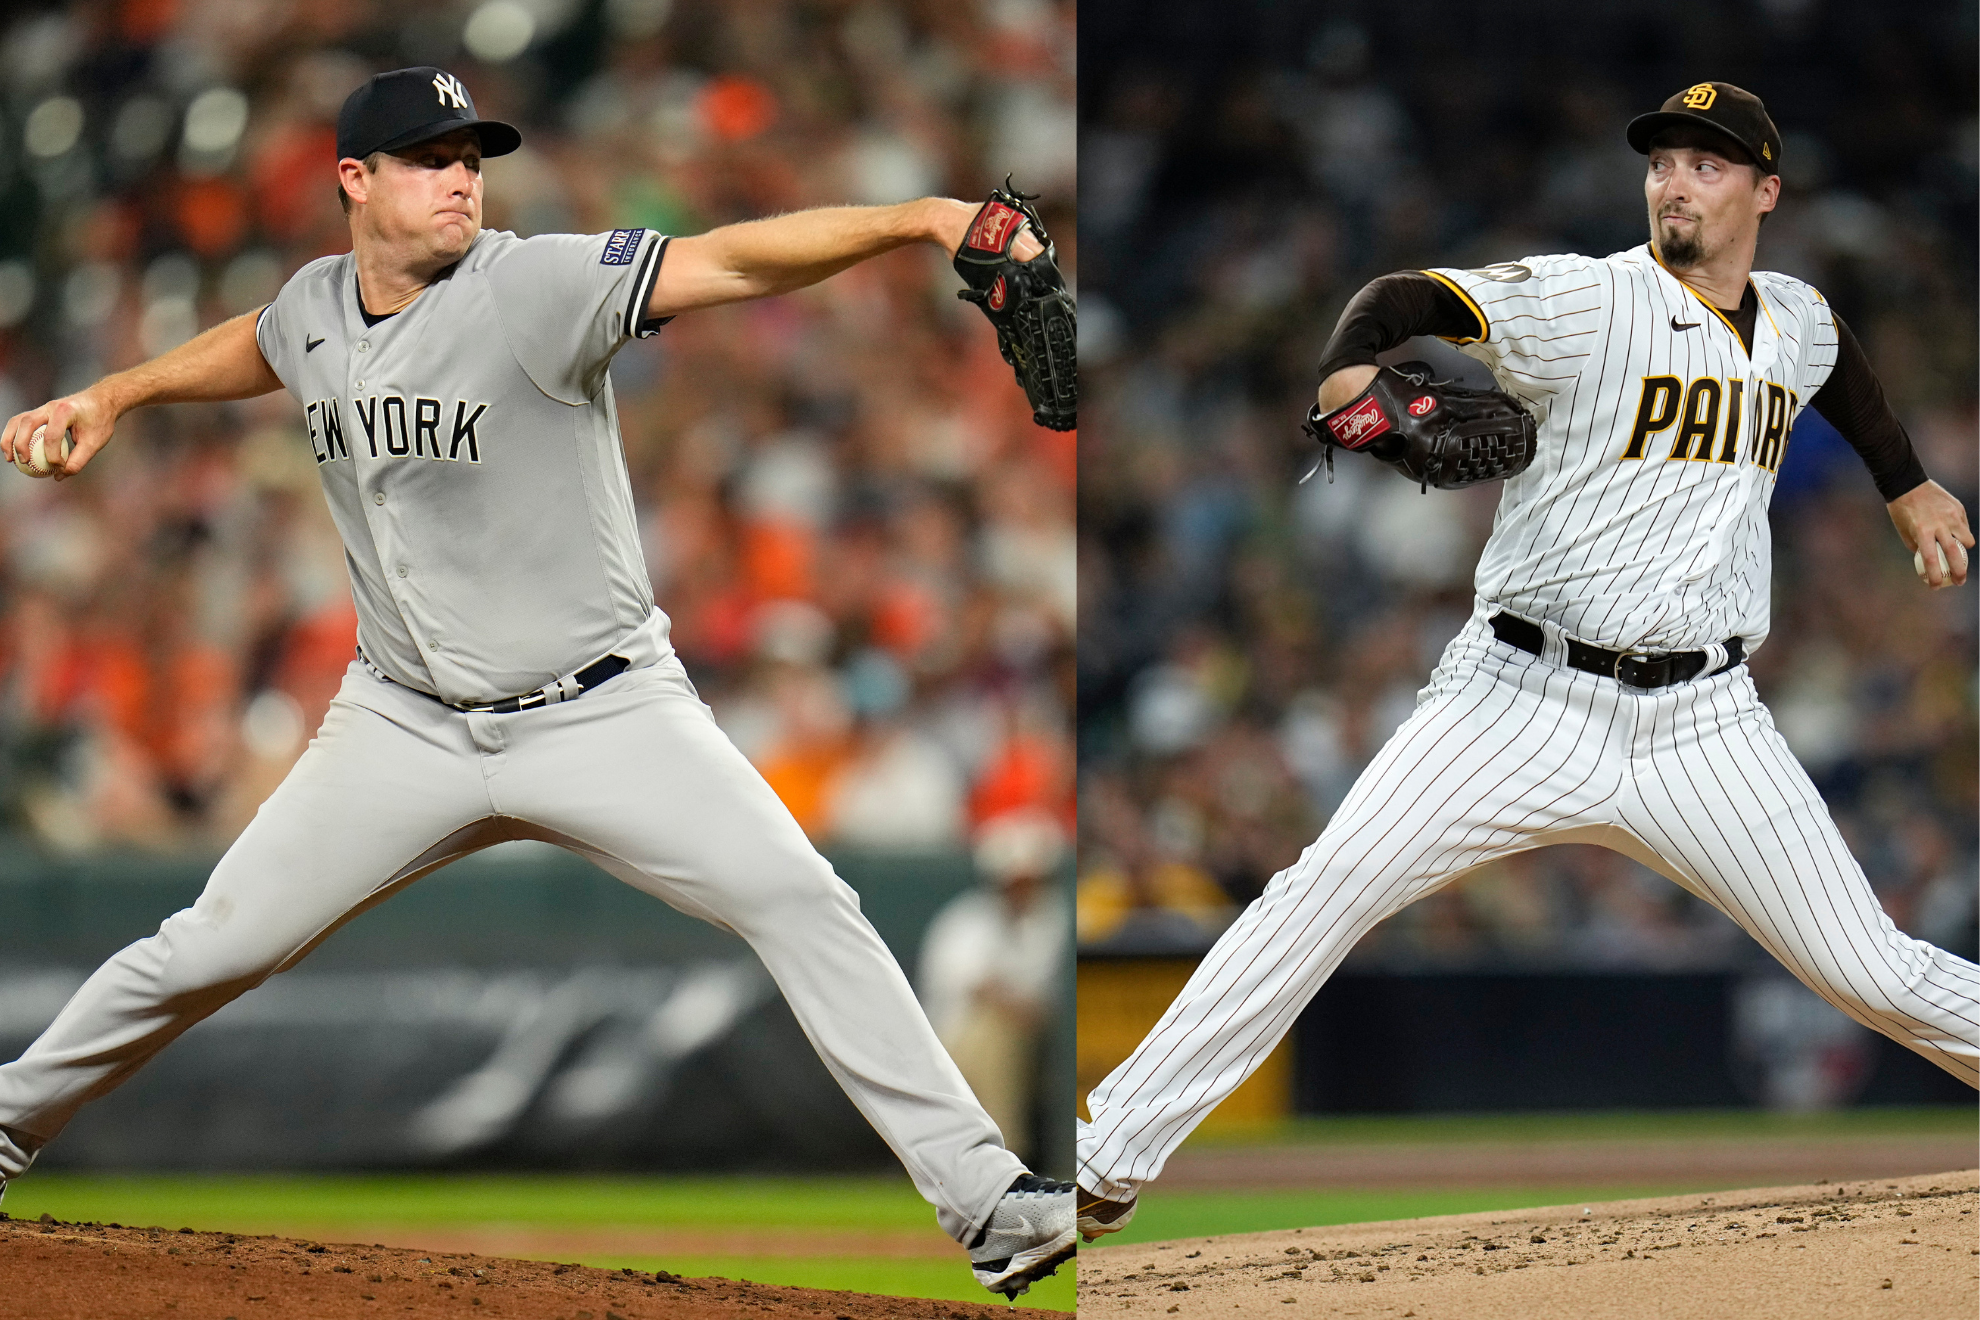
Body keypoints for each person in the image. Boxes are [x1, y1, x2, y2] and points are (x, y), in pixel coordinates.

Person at [0, 66, 1073, 1299]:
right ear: (354, 180)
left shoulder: (533, 285)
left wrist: (921, 220)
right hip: (400, 721)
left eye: (471, 154)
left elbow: (727, 260)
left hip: (603, 707)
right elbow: (254, 347)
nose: (463, 176)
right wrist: (113, 393)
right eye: (428, 155)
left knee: (802, 899)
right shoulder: (309, 309)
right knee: (206, 950)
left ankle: (988, 1202)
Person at [1074, 81, 1980, 1242]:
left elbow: (1836, 360)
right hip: (1518, 699)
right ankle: (1104, 1163)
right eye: (1662, 161)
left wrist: (1904, 481)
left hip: (1705, 722)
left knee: (1875, 974)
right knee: (1321, 894)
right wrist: (1349, 374)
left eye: (1707, 164)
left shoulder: (1795, 317)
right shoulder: (1589, 298)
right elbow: (1402, 296)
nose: (1674, 181)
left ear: (1766, 190)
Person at [917, 807, 1072, 1164]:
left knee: (998, 1035)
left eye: (1030, 879)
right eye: (1015, 880)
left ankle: (1003, 1157)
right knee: (989, 1032)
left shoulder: (1050, 921)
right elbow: (979, 989)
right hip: (948, 1036)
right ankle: (996, 1156)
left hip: (1021, 1040)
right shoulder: (966, 920)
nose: (1023, 888)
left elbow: (1039, 1006)